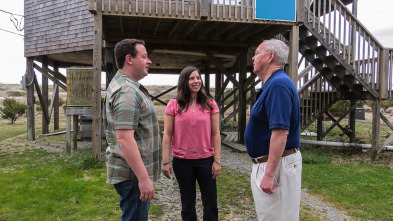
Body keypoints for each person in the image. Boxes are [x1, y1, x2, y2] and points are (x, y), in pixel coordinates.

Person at [103, 39, 161, 221]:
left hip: (133, 174)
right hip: (132, 176)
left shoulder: (124, 85)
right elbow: (125, 139)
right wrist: (143, 179)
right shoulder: (127, 91)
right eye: (144, 57)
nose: (149, 61)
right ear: (129, 59)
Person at [245, 39, 302, 221]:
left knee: (277, 217)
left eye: (257, 53)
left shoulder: (278, 85)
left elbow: (280, 133)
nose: (253, 58)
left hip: (276, 166)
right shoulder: (272, 84)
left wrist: (269, 175)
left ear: (270, 57)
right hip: (270, 163)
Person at [161, 66, 221, 221]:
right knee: (187, 205)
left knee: (211, 204)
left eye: (198, 78)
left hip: (206, 160)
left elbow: (216, 134)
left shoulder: (210, 104)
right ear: (184, 82)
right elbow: (167, 134)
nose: (196, 81)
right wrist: (165, 161)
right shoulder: (173, 105)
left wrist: (217, 160)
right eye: (192, 78)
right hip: (182, 162)